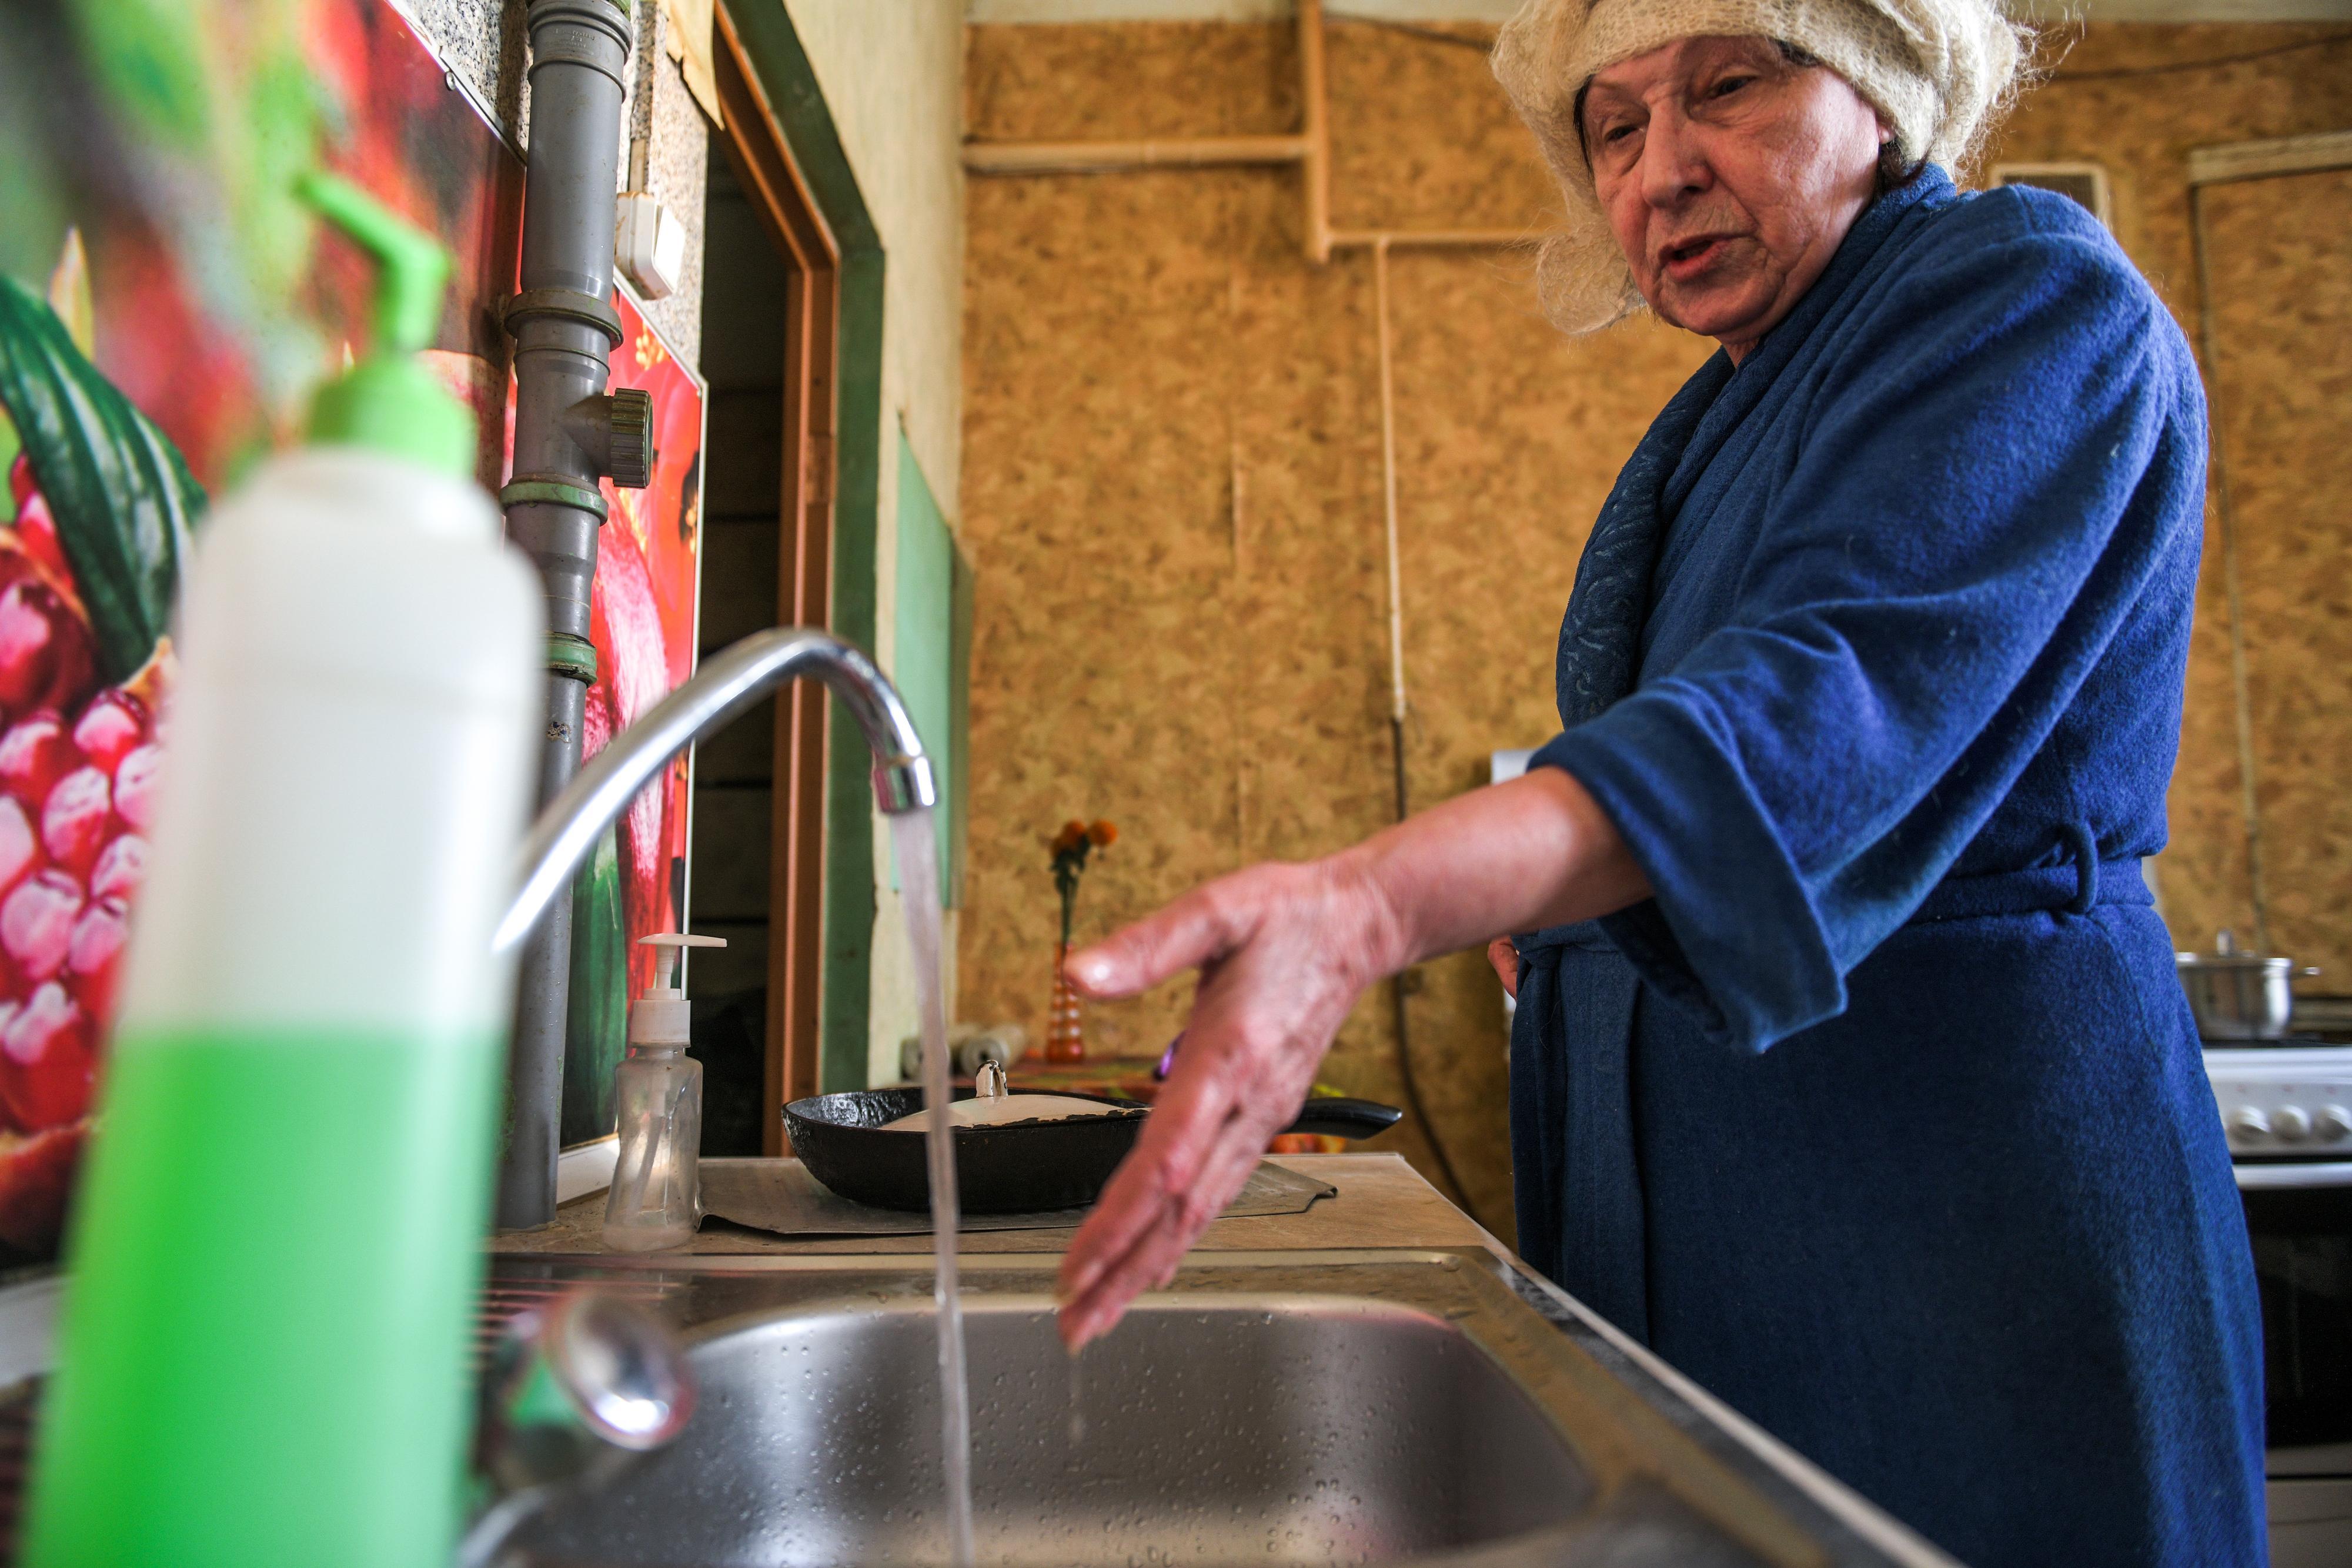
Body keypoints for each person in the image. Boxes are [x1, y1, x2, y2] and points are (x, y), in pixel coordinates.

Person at [1049, 2, 2266, 1564]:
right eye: (1612, 127)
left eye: (1729, 88)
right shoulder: (1728, 413)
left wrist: (1367, 907)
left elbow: (1816, 706)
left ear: (1882, 97)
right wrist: (1563, 918)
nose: (1658, 171)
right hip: (1728, 1232)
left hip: (1951, 1212)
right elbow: (1692, 757)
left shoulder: (2027, 294)